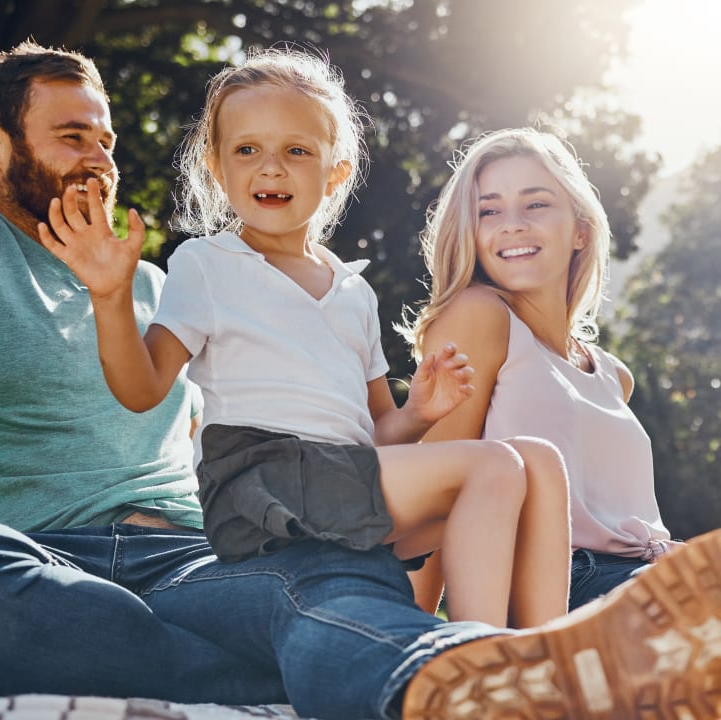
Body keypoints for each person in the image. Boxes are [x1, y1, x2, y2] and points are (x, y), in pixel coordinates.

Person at [0, 42, 719, 720]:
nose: (100, 154)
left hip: (199, 559)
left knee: (314, 586)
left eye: (108, 136)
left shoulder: (155, 282)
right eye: (71, 136)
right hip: (28, 561)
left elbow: (278, 432)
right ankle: (291, 668)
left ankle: (455, 676)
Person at [42, 47, 570, 630]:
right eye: (248, 150)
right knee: (493, 467)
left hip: (339, 480)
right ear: (217, 166)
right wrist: (110, 297)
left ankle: (547, 655)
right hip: (258, 482)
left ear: (335, 171)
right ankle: (478, 662)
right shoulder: (207, 263)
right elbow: (141, 389)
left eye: (297, 151)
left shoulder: (353, 291)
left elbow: (376, 434)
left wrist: (419, 413)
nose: (271, 168)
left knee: (539, 466)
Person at [400, 127, 685, 612]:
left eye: (535, 204)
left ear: (580, 231)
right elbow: (435, 497)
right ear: (471, 231)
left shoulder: (613, 376)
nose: (511, 223)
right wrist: (407, 639)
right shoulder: (479, 317)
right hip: (559, 586)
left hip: (650, 575)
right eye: (489, 210)